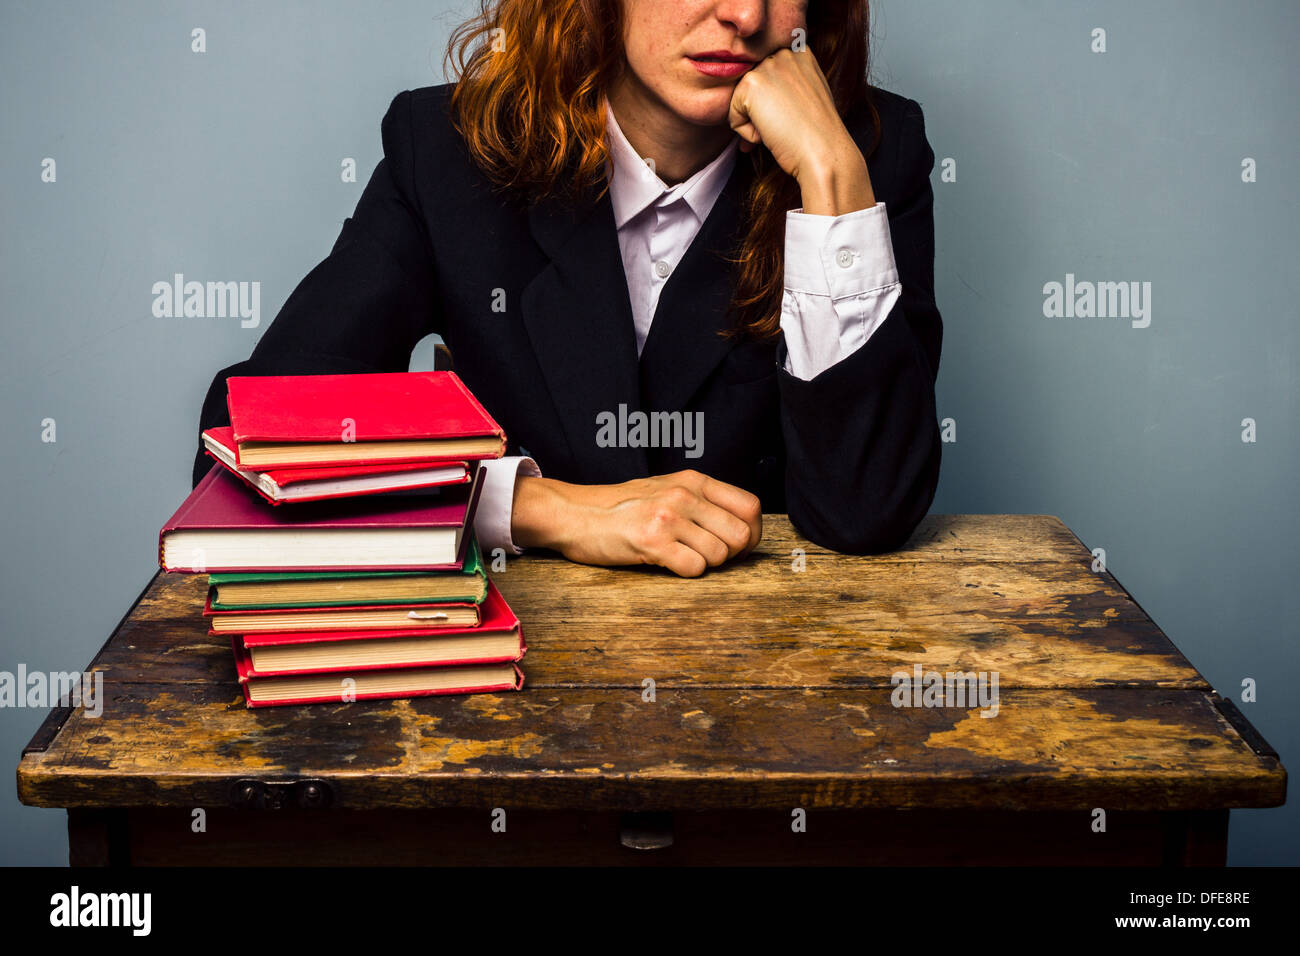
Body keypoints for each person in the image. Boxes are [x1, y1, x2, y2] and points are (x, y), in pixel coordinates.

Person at [193, 0, 943, 578]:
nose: (745, 17)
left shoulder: (867, 153)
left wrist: (830, 174)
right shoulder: (449, 152)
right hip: (504, 695)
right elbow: (241, 439)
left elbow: (865, 509)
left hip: (774, 692)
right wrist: (539, 509)